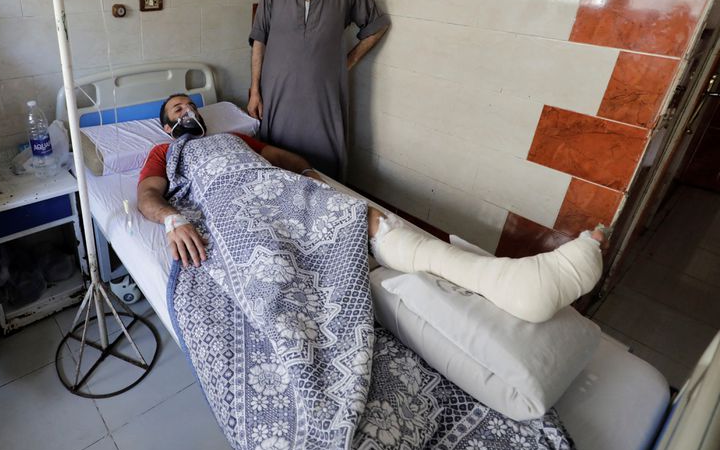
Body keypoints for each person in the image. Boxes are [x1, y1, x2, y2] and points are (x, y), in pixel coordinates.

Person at [140, 93, 606, 324]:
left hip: (272, 186)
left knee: (356, 214)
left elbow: (281, 159)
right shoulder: (165, 153)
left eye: (191, 105)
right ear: (166, 127)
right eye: (178, 110)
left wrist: (309, 175)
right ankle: (502, 285)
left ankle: (499, 282)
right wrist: (172, 219)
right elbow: (148, 197)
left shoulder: (232, 138)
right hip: (227, 205)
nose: (188, 112)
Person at [247, 0, 391, 180]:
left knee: (325, 172)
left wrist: (348, 61)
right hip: (278, 97)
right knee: (277, 170)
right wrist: (255, 90)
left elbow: (378, 25)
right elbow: (259, 39)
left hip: (323, 99)